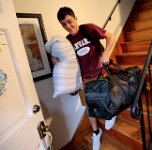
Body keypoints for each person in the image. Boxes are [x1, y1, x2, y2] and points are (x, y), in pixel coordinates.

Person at [54, 7, 116, 150]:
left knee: (106, 99)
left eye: (70, 21)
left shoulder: (88, 28)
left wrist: (105, 54)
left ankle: (111, 114)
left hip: (100, 73)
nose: (68, 26)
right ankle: (96, 132)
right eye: (64, 25)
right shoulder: (67, 41)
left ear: (75, 18)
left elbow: (110, 37)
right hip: (84, 79)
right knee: (90, 107)